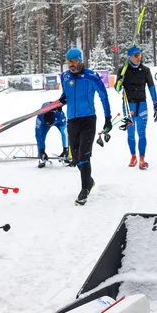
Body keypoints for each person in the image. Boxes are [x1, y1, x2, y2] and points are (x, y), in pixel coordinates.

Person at [58, 47, 112, 205]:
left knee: (84, 156)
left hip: (88, 120)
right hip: (72, 121)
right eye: (68, 62)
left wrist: (108, 118)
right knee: (75, 157)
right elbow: (65, 96)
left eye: (74, 61)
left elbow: (104, 97)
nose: (71, 65)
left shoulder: (91, 76)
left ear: (80, 60)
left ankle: (84, 190)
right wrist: (59, 103)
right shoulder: (65, 76)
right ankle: (89, 180)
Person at [114, 45, 157, 170]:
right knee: (131, 134)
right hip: (128, 106)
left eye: (140, 55)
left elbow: (151, 87)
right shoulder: (123, 70)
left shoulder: (145, 70)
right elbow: (117, 89)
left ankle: (142, 159)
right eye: (136, 55)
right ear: (130, 56)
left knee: (142, 133)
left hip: (142, 105)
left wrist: (156, 104)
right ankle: (133, 156)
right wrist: (120, 81)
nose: (139, 57)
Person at [34, 101, 68, 168]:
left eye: (50, 124)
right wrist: (42, 150)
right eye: (48, 124)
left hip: (58, 120)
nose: (50, 125)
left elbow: (65, 133)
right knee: (41, 135)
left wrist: (65, 149)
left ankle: (66, 154)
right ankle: (41, 157)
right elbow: (39, 135)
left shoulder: (60, 115)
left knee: (67, 133)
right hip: (44, 123)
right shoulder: (40, 119)